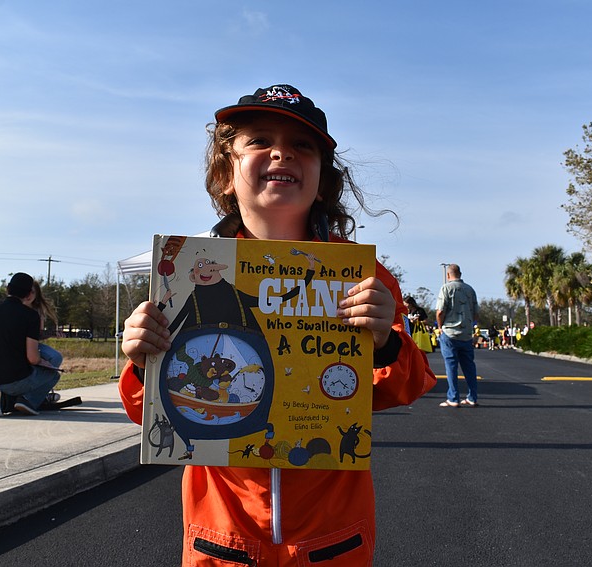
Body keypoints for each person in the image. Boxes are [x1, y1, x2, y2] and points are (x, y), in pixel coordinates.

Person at [118, 84, 437, 565]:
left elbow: (407, 385)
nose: (281, 153)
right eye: (260, 140)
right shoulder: (188, 271)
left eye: (302, 145)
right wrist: (144, 360)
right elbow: (147, 410)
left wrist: (384, 344)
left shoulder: (362, 277)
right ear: (225, 173)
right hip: (221, 533)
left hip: (332, 535)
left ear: (323, 180)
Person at [0, 273, 61, 417]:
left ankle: (2, 398)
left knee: (8, 381)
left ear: (7, 289)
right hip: (16, 380)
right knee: (53, 375)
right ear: (29, 294)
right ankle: (27, 401)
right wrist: (44, 363)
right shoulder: (31, 316)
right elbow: (33, 358)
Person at [436, 263, 480, 407]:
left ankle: (453, 398)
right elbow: (476, 312)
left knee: (451, 365)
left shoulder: (446, 288)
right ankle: (472, 397)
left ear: (448, 275)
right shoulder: (470, 289)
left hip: (449, 333)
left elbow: (440, 311)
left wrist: (440, 327)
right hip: (466, 334)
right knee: (469, 366)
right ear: (460, 274)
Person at [30, 280, 64, 370]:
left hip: (32, 344)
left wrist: (53, 333)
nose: (29, 295)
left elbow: (39, 334)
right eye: (27, 292)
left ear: (37, 294)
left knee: (55, 357)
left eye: (32, 292)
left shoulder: (38, 311)